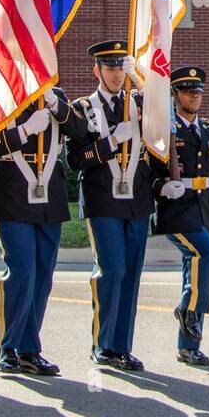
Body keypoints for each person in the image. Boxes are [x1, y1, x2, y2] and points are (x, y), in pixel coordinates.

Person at [0, 82, 83, 376]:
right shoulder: (1, 91)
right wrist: (24, 131)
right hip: (11, 190)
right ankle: (7, 346)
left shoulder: (56, 97)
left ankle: (29, 348)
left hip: (48, 191)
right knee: (22, 271)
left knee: (42, 275)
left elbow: (79, 131)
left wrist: (54, 104)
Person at [65, 39, 150, 372]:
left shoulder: (138, 101)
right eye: (110, 68)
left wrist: (142, 79)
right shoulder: (83, 109)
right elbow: (76, 160)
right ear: (96, 70)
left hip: (137, 201)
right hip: (103, 201)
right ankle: (102, 343)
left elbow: (167, 114)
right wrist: (112, 141)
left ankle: (122, 347)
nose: (116, 74)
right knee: (112, 270)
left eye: (120, 67)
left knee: (131, 275)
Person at [148, 66, 209, 367]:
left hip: (206, 209)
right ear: (176, 95)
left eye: (197, 92)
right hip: (177, 208)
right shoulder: (163, 128)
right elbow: (151, 171)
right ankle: (187, 309)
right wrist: (161, 187)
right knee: (207, 253)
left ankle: (189, 347)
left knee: (196, 270)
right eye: (187, 92)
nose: (194, 97)